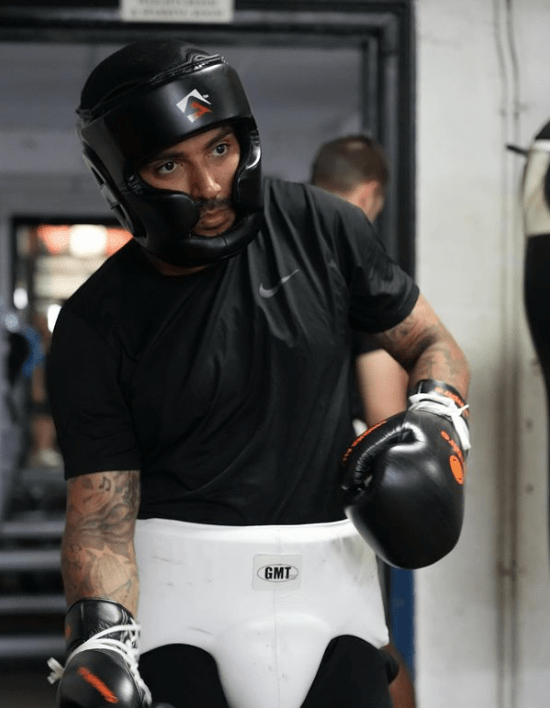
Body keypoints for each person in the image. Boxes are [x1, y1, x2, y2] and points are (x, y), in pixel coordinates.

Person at [45, 39, 470, 708]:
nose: (210, 186)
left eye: (220, 149)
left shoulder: (325, 228)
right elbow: (101, 514)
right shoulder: (97, 323)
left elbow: (430, 341)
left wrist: (438, 415)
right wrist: (100, 635)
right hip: (181, 598)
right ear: (122, 180)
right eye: (168, 166)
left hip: (334, 587)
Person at [311, 134, 415, 708]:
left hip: (241, 497)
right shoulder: (362, 269)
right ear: (372, 194)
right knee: (372, 647)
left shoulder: (261, 252)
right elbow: (384, 417)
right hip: (336, 500)